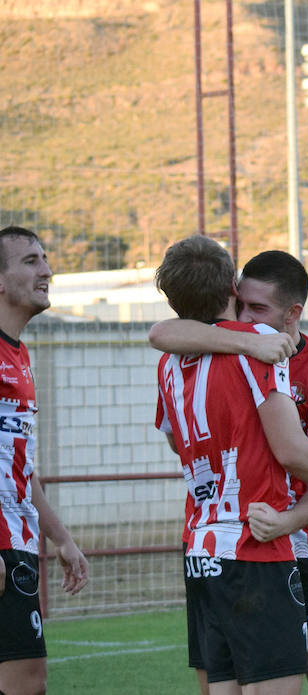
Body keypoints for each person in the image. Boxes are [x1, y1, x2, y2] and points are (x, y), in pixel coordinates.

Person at [152, 235, 308, 695]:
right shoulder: (252, 344)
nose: (245, 317)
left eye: (257, 309)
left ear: (292, 313)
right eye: (241, 303)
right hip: (254, 551)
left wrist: (285, 521)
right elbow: (292, 450)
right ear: (229, 292)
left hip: (270, 545)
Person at [0, 226, 89, 695]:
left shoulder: (20, 354)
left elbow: (19, 465)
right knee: (27, 679)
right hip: (1, 543)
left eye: (45, 259)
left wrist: (61, 537)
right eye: (31, 261)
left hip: (19, 539)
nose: (46, 270)